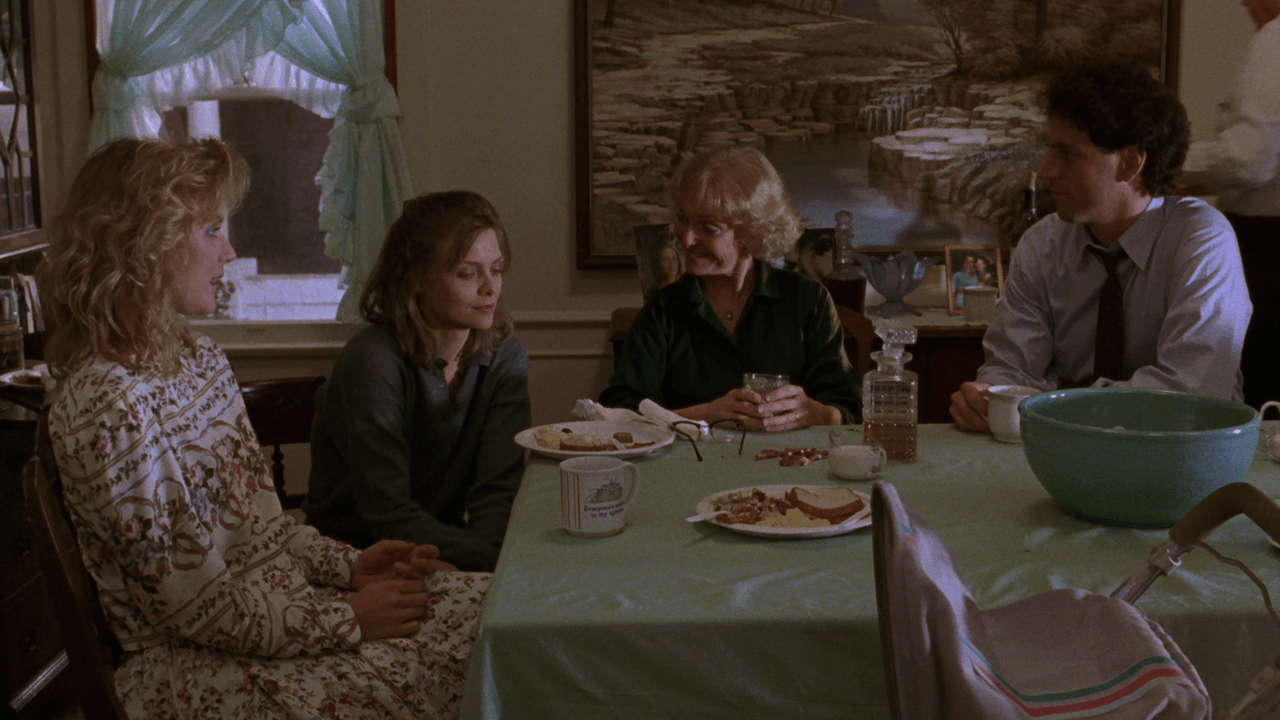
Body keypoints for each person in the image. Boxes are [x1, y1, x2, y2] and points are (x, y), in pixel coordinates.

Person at [39, 137, 486, 719]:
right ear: (143, 244)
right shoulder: (106, 405)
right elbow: (192, 611)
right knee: (468, 665)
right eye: (210, 231)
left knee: (495, 610)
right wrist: (346, 619)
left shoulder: (198, 359)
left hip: (280, 613)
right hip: (194, 665)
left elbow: (265, 533)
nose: (229, 252)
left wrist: (351, 566)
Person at [950, 61, 1252, 435]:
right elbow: (1010, 369)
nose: (1047, 170)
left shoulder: (1202, 239)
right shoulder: (1041, 243)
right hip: (1066, 449)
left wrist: (1054, 408)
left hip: (1185, 457)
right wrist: (987, 398)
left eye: (1067, 153)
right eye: (1049, 150)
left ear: (1130, 163)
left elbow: (1189, 393)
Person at [304, 191, 529, 573]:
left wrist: (483, 564)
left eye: (496, 269)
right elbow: (387, 512)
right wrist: (493, 563)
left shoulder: (504, 357)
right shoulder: (373, 360)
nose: (490, 288)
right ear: (417, 278)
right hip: (351, 562)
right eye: (467, 273)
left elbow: (498, 493)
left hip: (443, 552)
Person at [599, 145, 861, 431]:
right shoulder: (662, 311)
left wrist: (815, 413)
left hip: (788, 459)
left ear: (753, 233)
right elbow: (618, 413)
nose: (686, 239)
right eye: (682, 219)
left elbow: (849, 408)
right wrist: (706, 414)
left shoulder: (808, 300)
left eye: (708, 228)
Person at [1178, 0, 1280, 409]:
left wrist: (1163, 156)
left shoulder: (1276, 38)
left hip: (1268, 251)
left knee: (1256, 404)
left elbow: (1248, 160)